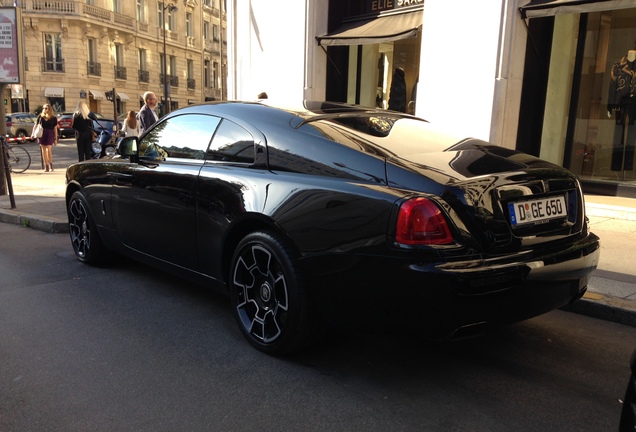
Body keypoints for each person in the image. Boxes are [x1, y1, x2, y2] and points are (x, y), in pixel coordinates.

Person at [608, 49, 636, 172]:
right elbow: (613, 85)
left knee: (632, 133)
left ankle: (628, 165)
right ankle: (616, 166)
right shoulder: (618, 64)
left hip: (635, 102)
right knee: (618, 133)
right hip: (620, 101)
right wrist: (610, 105)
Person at [35, 104, 58, 172]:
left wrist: (55, 138)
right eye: (44, 108)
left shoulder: (54, 118)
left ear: (50, 109)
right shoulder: (40, 116)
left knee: (49, 149)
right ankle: (46, 166)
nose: (45, 109)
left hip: (50, 134)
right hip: (42, 134)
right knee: (43, 150)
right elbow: (36, 125)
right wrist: (33, 133)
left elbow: (55, 128)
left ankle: (51, 165)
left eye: (46, 108)